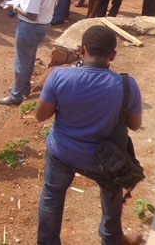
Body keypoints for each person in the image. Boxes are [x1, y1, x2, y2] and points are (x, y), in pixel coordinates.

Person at [35, 26, 143, 245]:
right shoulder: (127, 85)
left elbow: (40, 115)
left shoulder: (59, 77)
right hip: (105, 158)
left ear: (82, 50)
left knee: (52, 198)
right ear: (113, 55)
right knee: (112, 196)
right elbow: (135, 125)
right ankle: (112, 238)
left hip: (62, 153)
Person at [0, 0, 59, 106]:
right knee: (30, 57)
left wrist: (16, 6)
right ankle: (24, 87)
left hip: (31, 27)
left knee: (22, 61)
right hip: (43, 26)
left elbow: (32, 15)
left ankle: (16, 95)